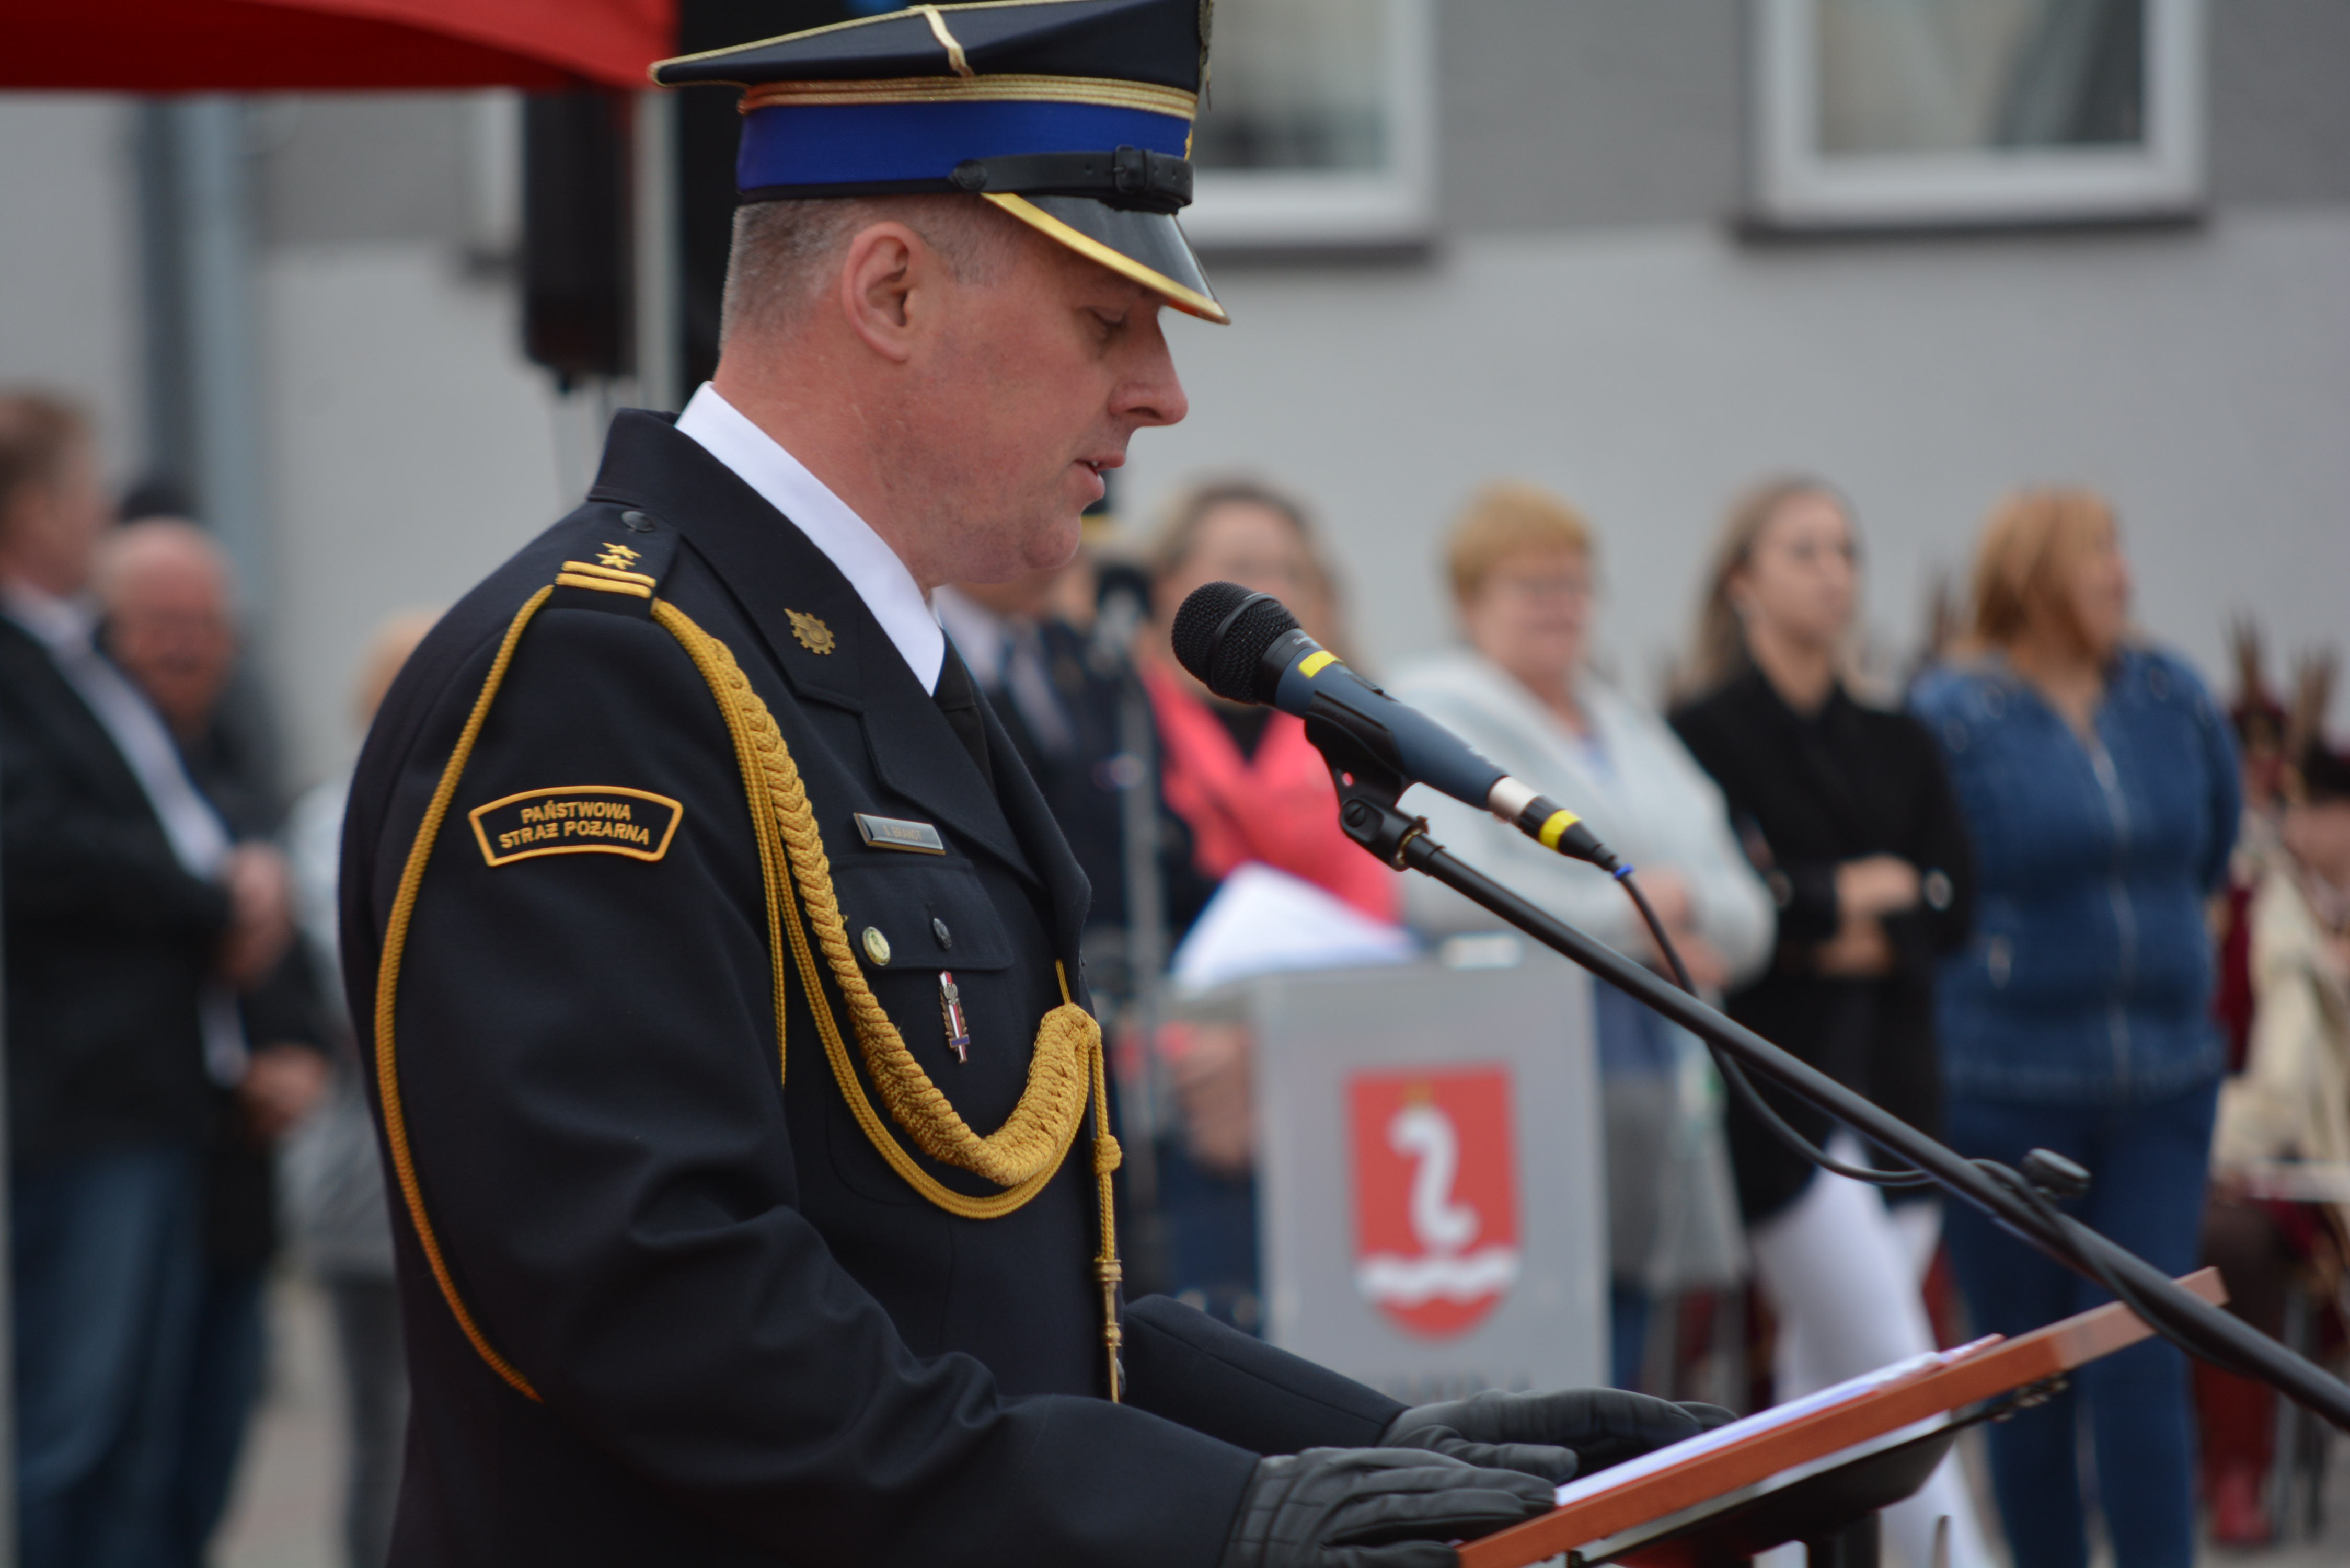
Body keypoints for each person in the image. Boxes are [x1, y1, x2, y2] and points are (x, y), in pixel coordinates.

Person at [337, 7, 1727, 1565]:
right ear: (891, 291)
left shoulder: (878, 667)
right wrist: (1203, 1521)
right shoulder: (600, 678)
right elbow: (652, 1296)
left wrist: (1380, 1442)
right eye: (1106, 319)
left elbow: (1006, 1293)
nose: (1162, 392)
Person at [1913, 487, 2239, 1568]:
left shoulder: (2169, 693)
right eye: (2098, 552)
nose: (2122, 575)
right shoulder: (1955, 714)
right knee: (2028, 1372)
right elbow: (1943, 882)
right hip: (2005, 1085)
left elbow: (2212, 845)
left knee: (2144, 1353)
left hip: (2163, 1081)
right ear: (2036, 573)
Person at [1667, 479, 1989, 1568]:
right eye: (1802, 550)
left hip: (1899, 1094)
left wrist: (1816, 912)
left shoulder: (1898, 737)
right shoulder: (1702, 735)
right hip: (1780, 1101)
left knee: (1824, 1382)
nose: (1832, 573)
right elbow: (1736, 907)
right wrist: (1847, 901)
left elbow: (1952, 905)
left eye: (1844, 550)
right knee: (1898, 1365)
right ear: (1742, 580)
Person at [1389, 482, 1774, 1391]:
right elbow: (1443, 897)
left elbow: (1746, 912)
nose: (1559, 606)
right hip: (1515, 1076)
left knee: (1639, 1343)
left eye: (1574, 585)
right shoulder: (1428, 715)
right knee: (1547, 1342)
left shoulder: (1629, 727)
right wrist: (1640, 921)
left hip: (1654, 1073)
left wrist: (1679, 906)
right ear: (1469, 601)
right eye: (1532, 586)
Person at [0, 393, 290, 1567]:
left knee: (145, 1440)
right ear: (33, 509)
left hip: (156, 1093)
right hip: (89, 1096)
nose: (98, 513)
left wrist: (241, 884)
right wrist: (218, 897)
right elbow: (35, 844)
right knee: (80, 1431)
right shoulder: (27, 664)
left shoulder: (74, 657)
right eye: (83, 491)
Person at [95, 518, 330, 1568]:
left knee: (204, 1461)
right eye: (157, 624)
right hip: (117, 1150)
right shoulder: (81, 782)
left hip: (233, 1172)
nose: (183, 646)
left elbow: (292, 962)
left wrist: (297, 1052)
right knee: (111, 1460)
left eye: (202, 625)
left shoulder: (235, 777)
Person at [1133, 478, 1396, 1329]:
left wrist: (1274, 1056)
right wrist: (1197, 1055)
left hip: (1330, 1084)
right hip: (1173, 1100)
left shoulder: (1347, 729)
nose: (1269, 591)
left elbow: (1369, 927)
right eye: (1242, 567)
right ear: (1171, 588)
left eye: (1289, 571)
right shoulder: (1117, 723)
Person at [285, 610, 439, 1568]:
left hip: (463, 1178)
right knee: (387, 1427)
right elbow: (364, 994)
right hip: (366, 1176)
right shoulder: (331, 822)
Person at [2200, 733, 2350, 1544]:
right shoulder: (2267, 908)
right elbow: (2273, 1084)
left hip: (2327, 1164)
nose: (2294, 824)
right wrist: (2214, 1147)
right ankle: (2230, 1464)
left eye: (2314, 808)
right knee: (2216, 1239)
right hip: (2271, 1163)